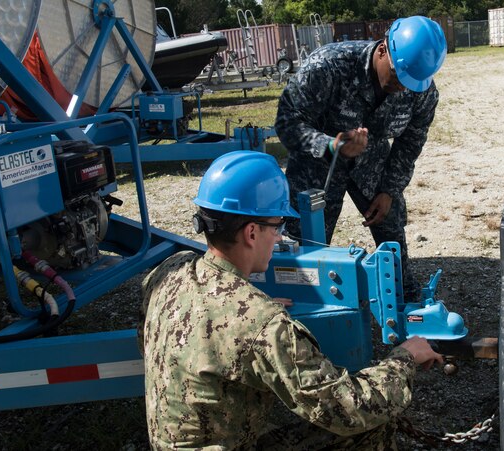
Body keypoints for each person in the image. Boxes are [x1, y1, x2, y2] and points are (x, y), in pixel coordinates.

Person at [138, 151, 443, 450]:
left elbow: (153, 338)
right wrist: (404, 359)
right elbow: (348, 408)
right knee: (372, 425)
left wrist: (252, 310)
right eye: (278, 226)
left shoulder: (168, 272)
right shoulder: (262, 324)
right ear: (252, 233)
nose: (281, 237)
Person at [275, 16, 447, 303]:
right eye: (397, 78)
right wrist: (329, 144)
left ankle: (404, 302)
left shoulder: (422, 91)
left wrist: (390, 191)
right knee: (306, 246)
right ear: (382, 50)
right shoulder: (329, 65)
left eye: (411, 84)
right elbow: (286, 121)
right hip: (318, 165)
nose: (403, 88)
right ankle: (303, 308)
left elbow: (410, 143)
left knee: (391, 233)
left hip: (372, 162)